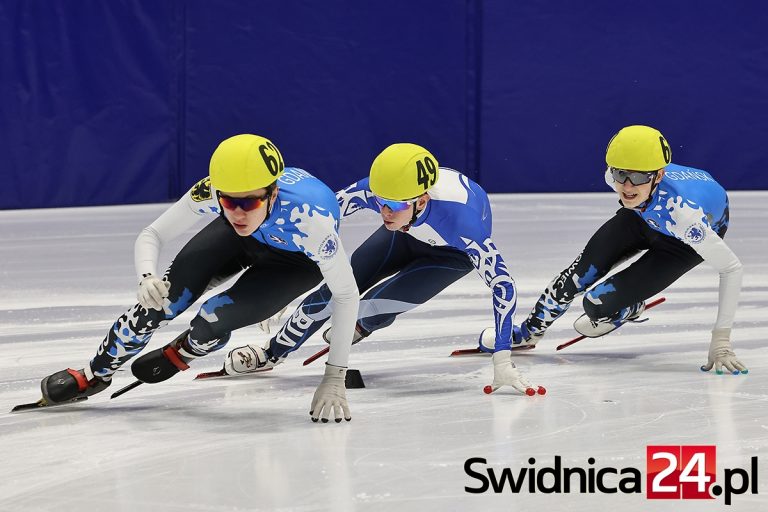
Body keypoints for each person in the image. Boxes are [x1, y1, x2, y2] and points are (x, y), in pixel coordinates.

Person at [39, 134, 360, 422]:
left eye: (249, 201)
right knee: (157, 303)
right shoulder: (215, 194)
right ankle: (95, 373)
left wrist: (334, 376)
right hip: (243, 239)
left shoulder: (311, 222)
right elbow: (153, 234)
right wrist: (147, 277)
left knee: (212, 318)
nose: (238, 211)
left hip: (295, 260)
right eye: (228, 201)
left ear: (273, 194)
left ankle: (190, 347)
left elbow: (346, 295)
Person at [221, 143, 544, 396]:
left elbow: (503, 285)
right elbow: (317, 218)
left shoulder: (462, 224)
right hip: (403, 235)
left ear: (422, 199)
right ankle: (273, 352)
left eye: (396, 205)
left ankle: (361, 324)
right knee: (332, 294)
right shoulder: (389, 202)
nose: (385, 211)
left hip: (450, 255)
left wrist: (502, 357)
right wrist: (279, 282)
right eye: (379, 202)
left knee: (376, 307)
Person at [512, 125, 747, 375]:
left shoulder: (686, 216)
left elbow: (732, 269)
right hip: (643, 216)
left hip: (682, 240)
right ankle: (529, 332)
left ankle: (630, 307)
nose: (626, 186)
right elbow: (631, 182)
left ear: (658, 175)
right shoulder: (621, 179)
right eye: (621, 174)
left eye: (638, 177)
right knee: (575, 277)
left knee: (596, 304)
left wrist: (721, 341)